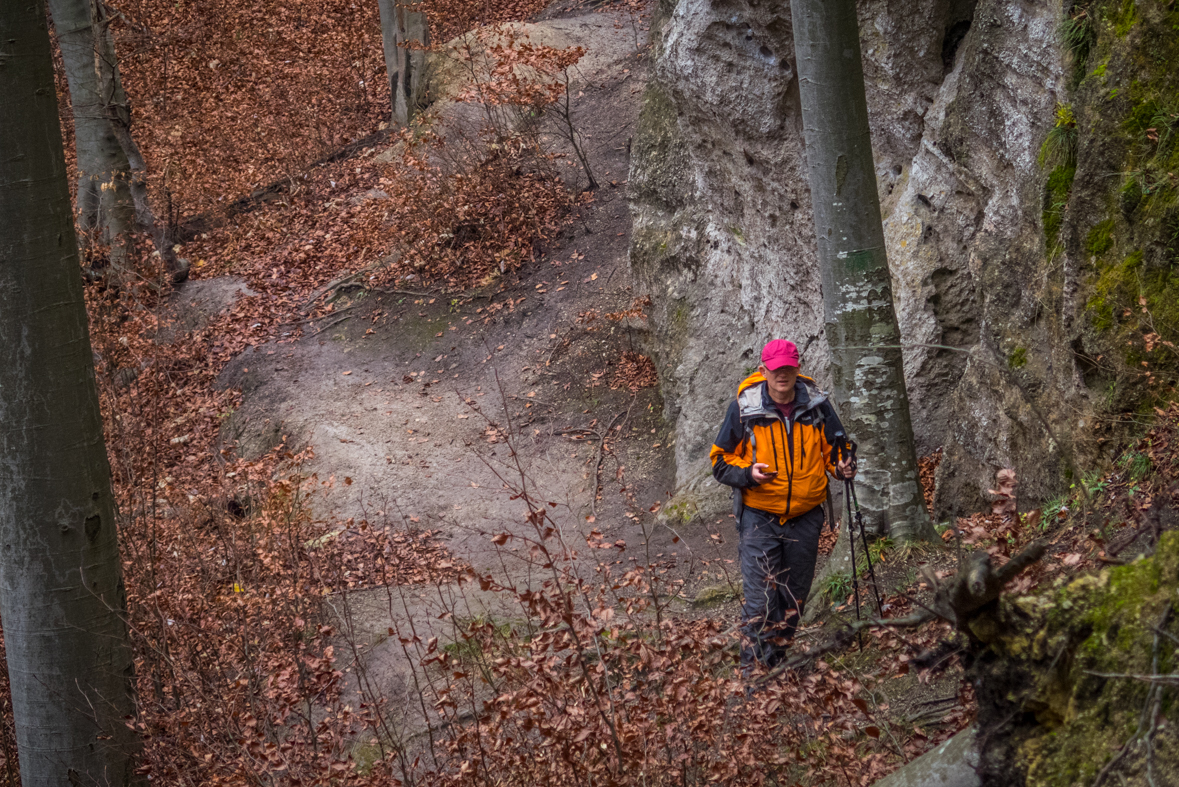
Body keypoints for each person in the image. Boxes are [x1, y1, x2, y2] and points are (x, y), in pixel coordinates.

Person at [710, 339, 856, 670]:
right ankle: (754, 677)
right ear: (763, 371)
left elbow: (835, 450)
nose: (783, 375)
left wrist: (842, 466)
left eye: (788, 368)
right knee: (761, 603)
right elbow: (719, 462)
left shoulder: (818, 406)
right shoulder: (745, 408)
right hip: (759, 517)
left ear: (797, 369)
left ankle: (776, 667)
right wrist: (748, 474)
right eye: (776, 370)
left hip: (806, 519)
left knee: (793, 601)